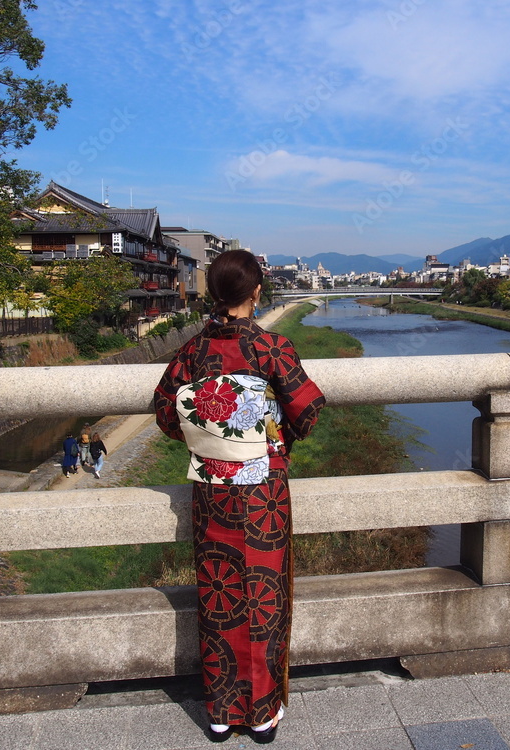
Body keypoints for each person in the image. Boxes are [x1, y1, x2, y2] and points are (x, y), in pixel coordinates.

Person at [153, 249, 325, 744]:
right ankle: (263, 713)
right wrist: (267, 431)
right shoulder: (272, 348)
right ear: (256, 293)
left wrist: (215, 433)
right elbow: (308, 416)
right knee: (263, 596)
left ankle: (221, 712)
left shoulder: (190, 352)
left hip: (211, 490)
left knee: (219, 592)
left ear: (212, 294)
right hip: (264, 492)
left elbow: (167, 417)